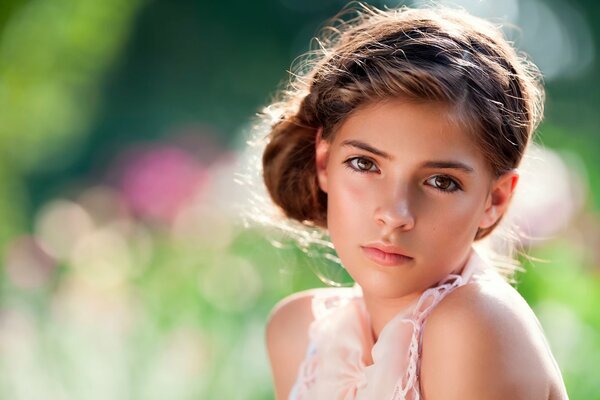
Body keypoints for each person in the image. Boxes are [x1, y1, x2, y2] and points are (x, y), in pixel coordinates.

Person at [252, 3, 569, 399]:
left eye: (441, 181)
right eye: (364, 164)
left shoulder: (472, 325)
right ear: (323, 162)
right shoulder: (299, 332)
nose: (394, 214)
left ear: (496, 199)